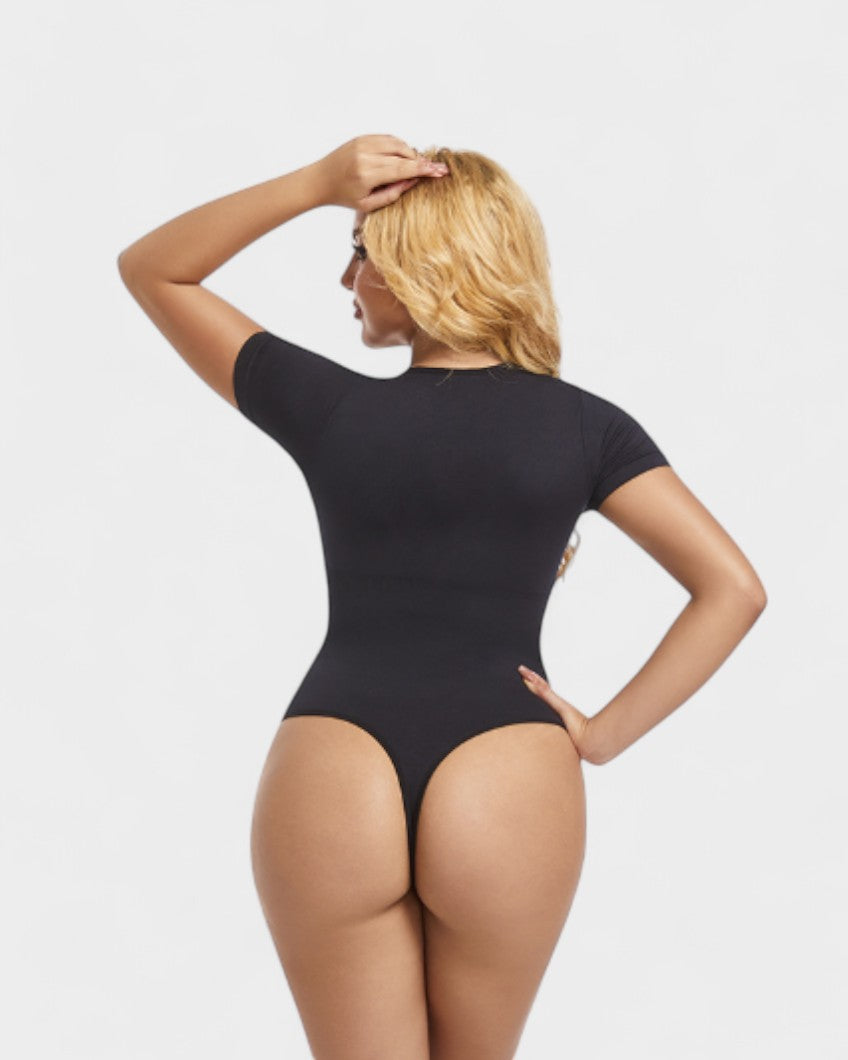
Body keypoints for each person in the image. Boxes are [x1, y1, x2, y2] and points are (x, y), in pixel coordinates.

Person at [118, 134, 767, 1060]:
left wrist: (316, 182)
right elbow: (732, 589)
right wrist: (602, 735)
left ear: (416, 265)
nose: (347, 281)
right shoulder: (587, 428)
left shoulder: (328, 407)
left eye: (360, 253)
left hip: (334, 756)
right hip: (509, 760)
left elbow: (154, 269)